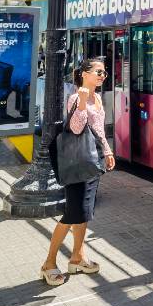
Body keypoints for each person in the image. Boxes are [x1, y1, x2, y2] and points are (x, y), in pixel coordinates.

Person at [41, 57, 115, 286]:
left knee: (85, 213)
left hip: (93, 161)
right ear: (84, 74)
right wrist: (82, 101)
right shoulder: (77, 97)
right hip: (77, 163)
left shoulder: (98, 98)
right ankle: (49, 264)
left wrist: (108, 151)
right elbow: (75, 127)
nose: (103, 76)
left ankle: (77, 258)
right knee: (72, 214)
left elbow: (99, 131)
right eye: (98, 72)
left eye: (104, 73)